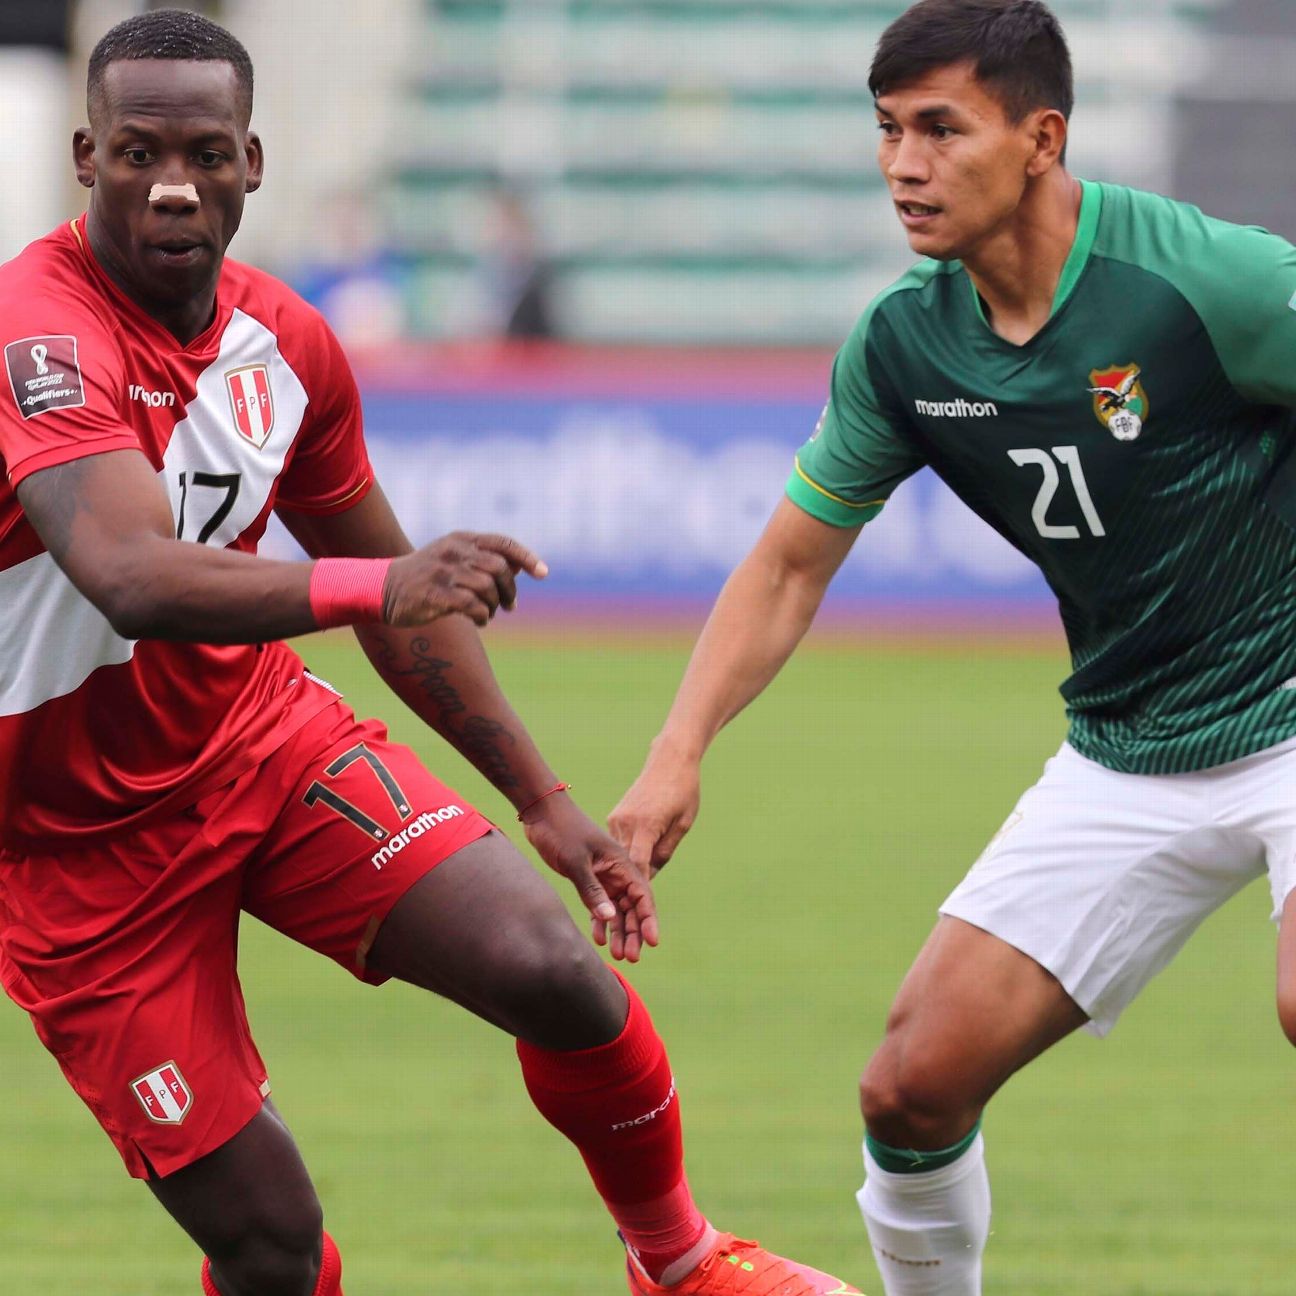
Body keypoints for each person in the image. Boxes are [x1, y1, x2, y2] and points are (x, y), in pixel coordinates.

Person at [0, 12, 863, 1296]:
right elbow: (128, 576)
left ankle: (681, 1264)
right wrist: (380, 583)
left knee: (554, 973)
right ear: (86, 157)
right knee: (273, 1247)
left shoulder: (286, 345)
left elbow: (406, 608)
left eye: (204, 152)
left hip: (256, 746)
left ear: (253, 163)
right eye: (136, 153)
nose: (171, 183)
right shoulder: (38, 328)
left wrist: (546, 802)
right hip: (74, 855)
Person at [609, 1, 1296, 1292]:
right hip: (1130, 745)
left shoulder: (1203, 281)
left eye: (940, 128)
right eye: (886, 131)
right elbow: (788, 565)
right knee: (912, 1088)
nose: (903, 165)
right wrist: (676, 750)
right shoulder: (907, 346)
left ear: (1042, 139)